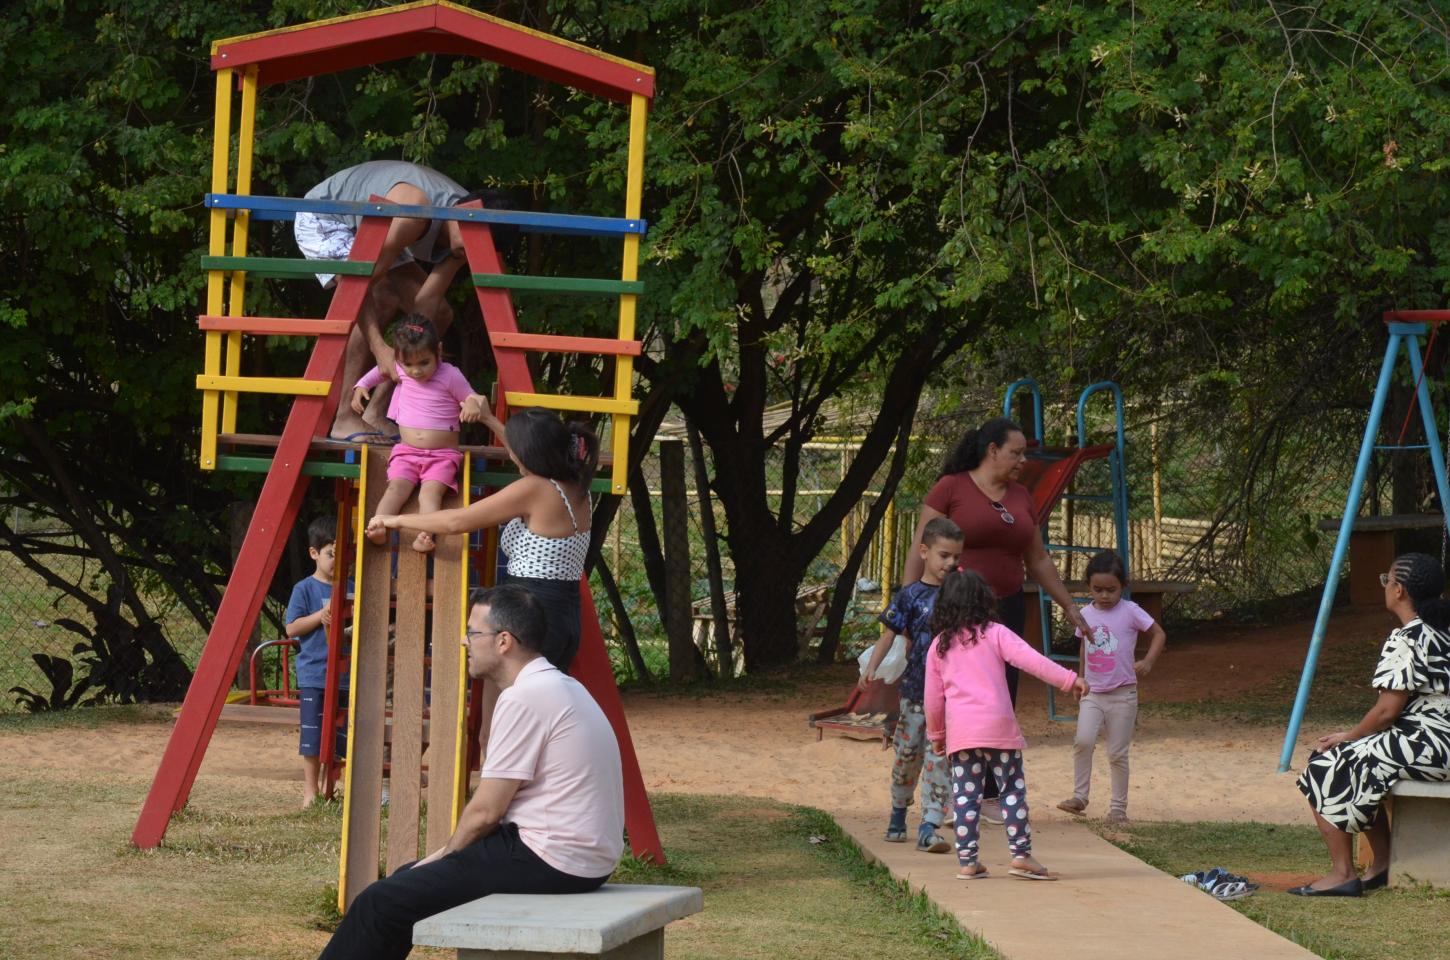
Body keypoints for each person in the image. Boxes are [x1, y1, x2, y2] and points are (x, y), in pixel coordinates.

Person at [317, 585, 622, 960]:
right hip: (583, 859)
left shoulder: (525, 696)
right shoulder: (561, 686)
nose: (464, 642)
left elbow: (486, 812)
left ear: (504, 641)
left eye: (473, 633)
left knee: (378, 903)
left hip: (550, 858)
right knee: (401, 882)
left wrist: (447, 855)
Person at [903, 416, 1089, 819]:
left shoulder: (1021, 495)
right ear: (992, 450)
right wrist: (909, 604)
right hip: (951, 610)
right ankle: (950, 791)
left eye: (1023, 453)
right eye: (1016, 452)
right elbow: (921, 548)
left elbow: (1037, 558)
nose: (1023, 460)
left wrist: (1069, 605)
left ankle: (987, 794)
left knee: (1001, 693)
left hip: (1004, 607)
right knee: (957, 693)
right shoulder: (950, 487)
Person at [368, 407, 596, 672]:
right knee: (536, 707)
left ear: (527, 453)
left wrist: (395, 520)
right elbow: (527, 449)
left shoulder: (535, 489)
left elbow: (457, 522)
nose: (510, 454)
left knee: (507, 703)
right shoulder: (577, 485)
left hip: (532, 613)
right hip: (564, 614)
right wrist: (488, 418)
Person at [295, 160, 508, 439]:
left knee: (440, 316)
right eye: (466, 243)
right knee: (377, 299)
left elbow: (426, 307)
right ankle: (345, 418)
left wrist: (402, 352)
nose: (469, 249)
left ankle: (376, 411)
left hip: (380, 227)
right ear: (460, 213)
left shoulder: (467, 236)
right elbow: (356, 286)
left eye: (477, 248)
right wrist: (380, 348)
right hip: (329, 216)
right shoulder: (415, 212)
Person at [1292, 551, 1450, 897]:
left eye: (1386, 580)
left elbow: (1386, 712)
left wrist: (1348, 735)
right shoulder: (1442, 632)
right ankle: (1382, 863)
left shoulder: (1408, 638)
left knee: (1324, 762)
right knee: (1360, 762)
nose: (1385, 586)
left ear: (1399, 591)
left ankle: (1342, 873)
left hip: (1430, 744)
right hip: (1439, 743)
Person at [925, 569, 1088, 881]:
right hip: (999, 729)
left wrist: (937, 735)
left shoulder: (939, 647)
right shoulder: (996, 633)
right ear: (984, 600)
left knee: (965, 796)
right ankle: (1021, 855)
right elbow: (1033, 660)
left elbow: (933, 698)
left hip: (962, 734)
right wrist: (1070, 680)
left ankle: (968, 862)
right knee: (1011, 791)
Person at [859, 517, 964, 853]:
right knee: (907, 755)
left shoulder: (961, 594)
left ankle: (930, 826)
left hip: (950, 696)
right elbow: (889, 634)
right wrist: (872, 668)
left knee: (940, 759)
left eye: (955, 557)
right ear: (924, 552)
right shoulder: (909, 595)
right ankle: (898, 814)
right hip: (915, 693)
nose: (950, 563)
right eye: (943, 555)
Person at [1055, 550, 1166, 825]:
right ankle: (1080, 797)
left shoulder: (1131, 611)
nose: (1104, 595)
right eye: (1097, 590)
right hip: (1093, 692)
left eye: (1111, 590)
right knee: (1082, 741)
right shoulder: (1084, 613)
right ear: (1088, 587)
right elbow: (1084, 646)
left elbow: (1159, 634)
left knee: (1117, 752)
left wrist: (1149, 661)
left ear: (1123, 587)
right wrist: (1080, 679)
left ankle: (1118, 808)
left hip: (1123, 694)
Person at [355, 316, 475, 553]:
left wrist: (470, 405)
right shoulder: (400, 367)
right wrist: (361, 386)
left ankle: (425, 535)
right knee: (395, 488)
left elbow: (470, 396)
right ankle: (379, 525)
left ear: (438, 351)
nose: (416, 370)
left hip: (442, 455)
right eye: (408, 365)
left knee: (430, 494)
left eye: (424, 362)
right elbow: (378, 372)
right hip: (407, 451)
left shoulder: (451, 375)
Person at [285, 516, 348, 807]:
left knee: (339, 737)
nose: (337, 560)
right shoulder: (304, 589)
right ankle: (310, 792)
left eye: (342, 554)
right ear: (314, 554)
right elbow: (292, 627)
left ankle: (329, 789)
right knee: (312, 735)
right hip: (314, 674)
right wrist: (319, 617)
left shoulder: (351, 588)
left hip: (346, 675)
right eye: (331, 554)